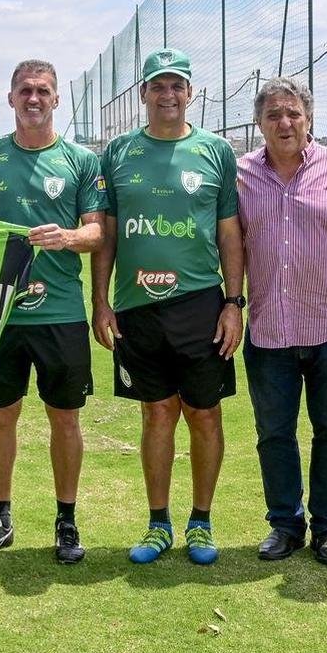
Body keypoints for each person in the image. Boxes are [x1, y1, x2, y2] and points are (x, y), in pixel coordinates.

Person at [92, 48, 244, 565]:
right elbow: (107, 235)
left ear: (190, 92)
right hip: (137, 307)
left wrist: (233, 303)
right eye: (158, 85)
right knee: (157, 415)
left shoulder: (216, 151)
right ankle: (159, 523)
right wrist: (101, 301)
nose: (168, 94)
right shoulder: (117, 153)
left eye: (177, 85)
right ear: (143, 94)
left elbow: (230, 235)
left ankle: (201, 521)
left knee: (204, 415)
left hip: (200, 305)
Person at [0, 59, 105, 564]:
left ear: (57, 99)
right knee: (1, 419)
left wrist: (66, 237)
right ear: (11, 97)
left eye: (44, 90)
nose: (34, 98)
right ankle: (0, 517)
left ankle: (66, 521)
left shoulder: (80, 161)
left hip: (59, 313)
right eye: (25, 90)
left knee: (65, 420)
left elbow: (96, 230)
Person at [237, 77, 327, 566]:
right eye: (274, 115)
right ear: (259, 123)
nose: (284, 123)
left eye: (293, 113)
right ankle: (284, 524)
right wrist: (230, 303)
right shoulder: (240, 176)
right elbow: (228, 246)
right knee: (273, 433)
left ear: (309, 118)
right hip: (267, 329)